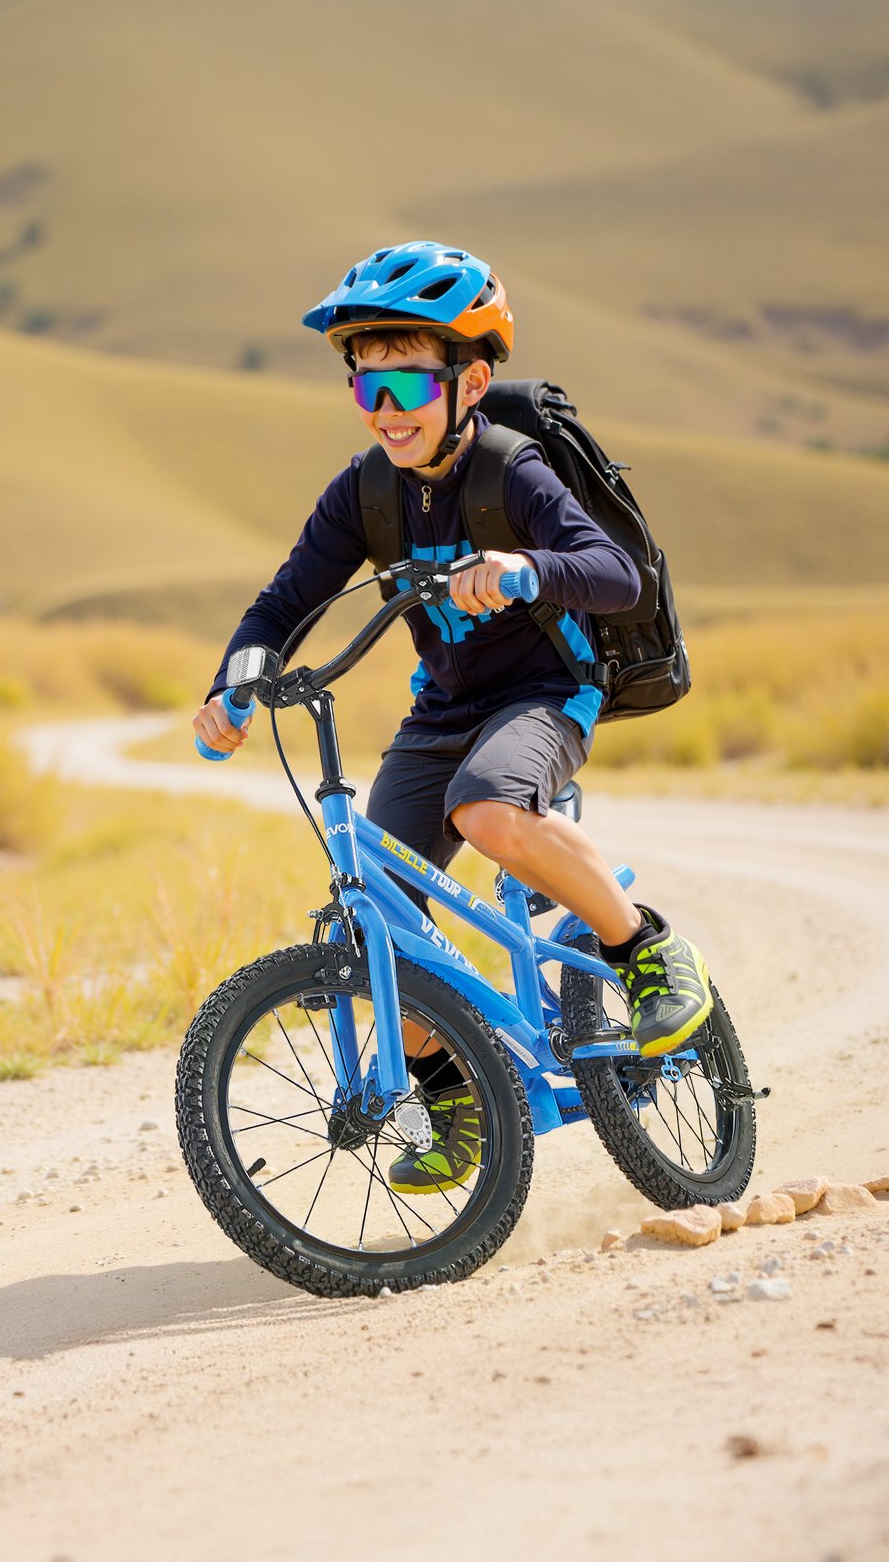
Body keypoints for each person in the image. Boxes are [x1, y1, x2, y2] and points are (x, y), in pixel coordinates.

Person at [192, 242, 711, 1193]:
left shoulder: (512, 471)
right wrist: (236, 681)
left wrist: (525, 569)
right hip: (442, 712)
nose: (387, 411)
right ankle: (458, 1106)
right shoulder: (365, 493)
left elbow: (615, 573)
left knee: (490, 811)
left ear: (469, 380)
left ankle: (645, 950)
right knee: (379, 923)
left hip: (546, 695)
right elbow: (283, 605)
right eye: (366, 389)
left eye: (407, 385)